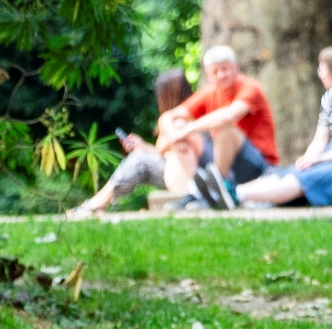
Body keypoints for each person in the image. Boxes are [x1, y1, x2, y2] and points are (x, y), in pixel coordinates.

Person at [236, 46, 332, 208]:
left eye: (322, 69)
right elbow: (320, 139)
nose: (319, 74)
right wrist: (308, 159)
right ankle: (232, 191)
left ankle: (238, 195)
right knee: (294, 171)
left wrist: (319, 159)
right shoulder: (331, 96)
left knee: (310, 178)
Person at [158, 43, 280, 206]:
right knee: (178, 125)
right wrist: (175, 134)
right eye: (215, 72)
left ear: (235, 68)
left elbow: (229, 115)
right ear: (208, 74)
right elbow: (167, 116)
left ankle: (214, 192)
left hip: (257, 164)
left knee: (225, 129)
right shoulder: (210, 91)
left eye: (225, 69)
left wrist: (187, 129)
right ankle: (196, 191)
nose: (221, 75)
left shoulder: (250, 88)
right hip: (222, 163)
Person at [66, 71, 192, 218]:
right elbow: (164, 153)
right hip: (176, 170)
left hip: (187, 175)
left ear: (168, 95)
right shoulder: (177, 116)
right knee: (139, 158)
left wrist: (143, 151)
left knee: (139, 161)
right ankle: (96, 204)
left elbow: (169, 153)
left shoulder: (180, 119)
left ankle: (94, 205)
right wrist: (143, 146)